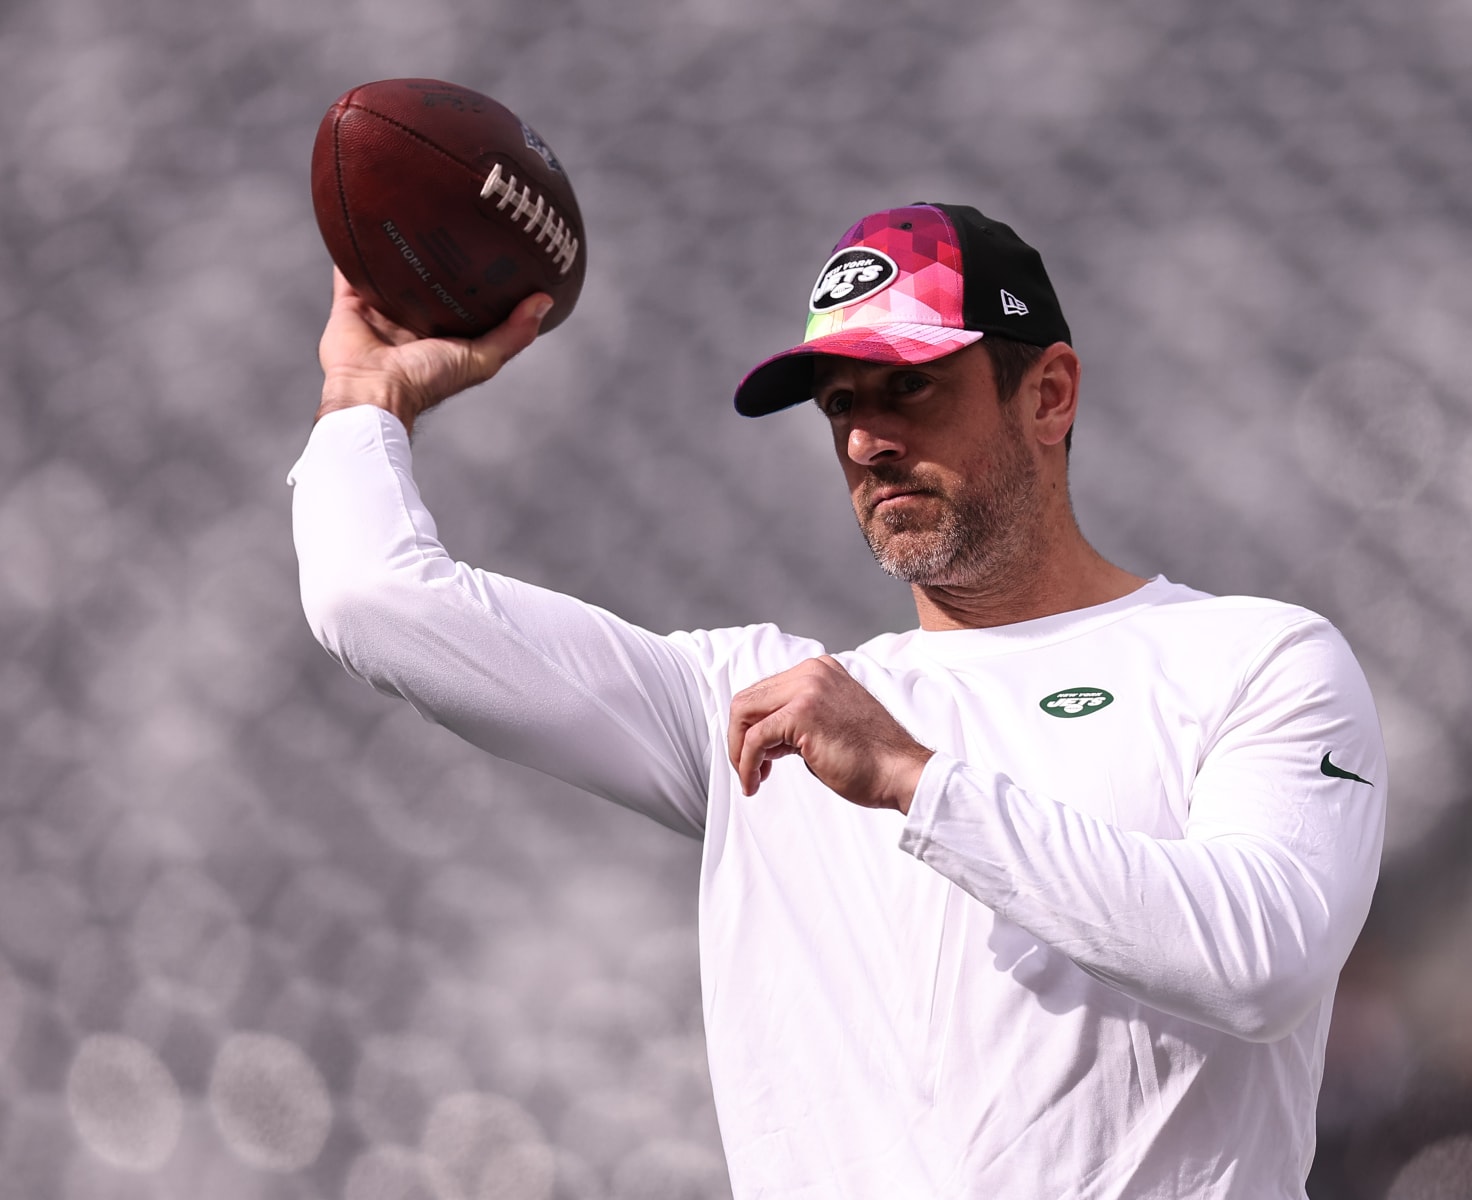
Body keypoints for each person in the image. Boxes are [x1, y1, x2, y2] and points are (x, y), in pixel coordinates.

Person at [291, 202, 1387, 1199]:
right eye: (840, 407)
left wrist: (918, 784)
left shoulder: (1253, 658)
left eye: (910, 385)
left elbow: (1263, 961)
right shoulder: (755, 703)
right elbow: (375, 601)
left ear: (1048, 393)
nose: (866, 442)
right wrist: (362, 401)